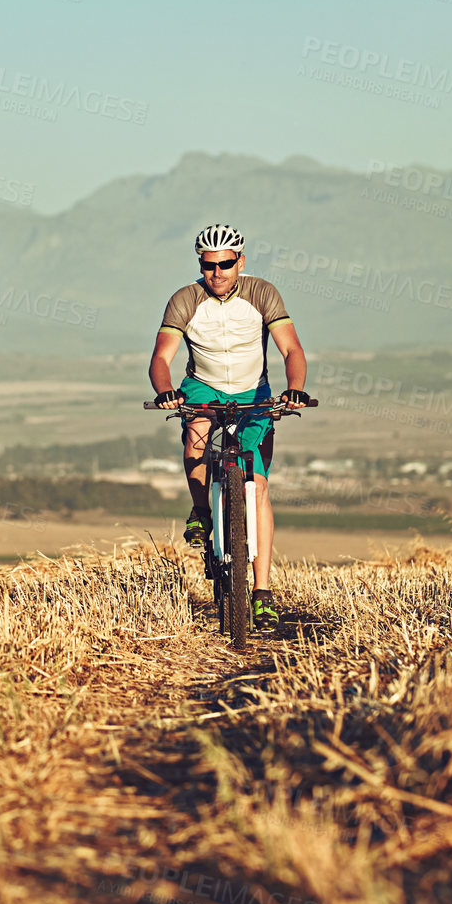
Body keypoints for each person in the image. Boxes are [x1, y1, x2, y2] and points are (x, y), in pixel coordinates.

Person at [148, 223, 307, 631]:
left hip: (254, 394)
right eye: (207, 265)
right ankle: (202, 513)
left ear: (241, 261)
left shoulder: (262, 293)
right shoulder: (185, 299)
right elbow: (161, 358)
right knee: (195, 445)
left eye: (225, 264)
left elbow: (290, 348)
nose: (216, 273)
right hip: (202, 387)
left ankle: (262, 592)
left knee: (258, 484)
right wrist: (166, 391)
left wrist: (295, 390)